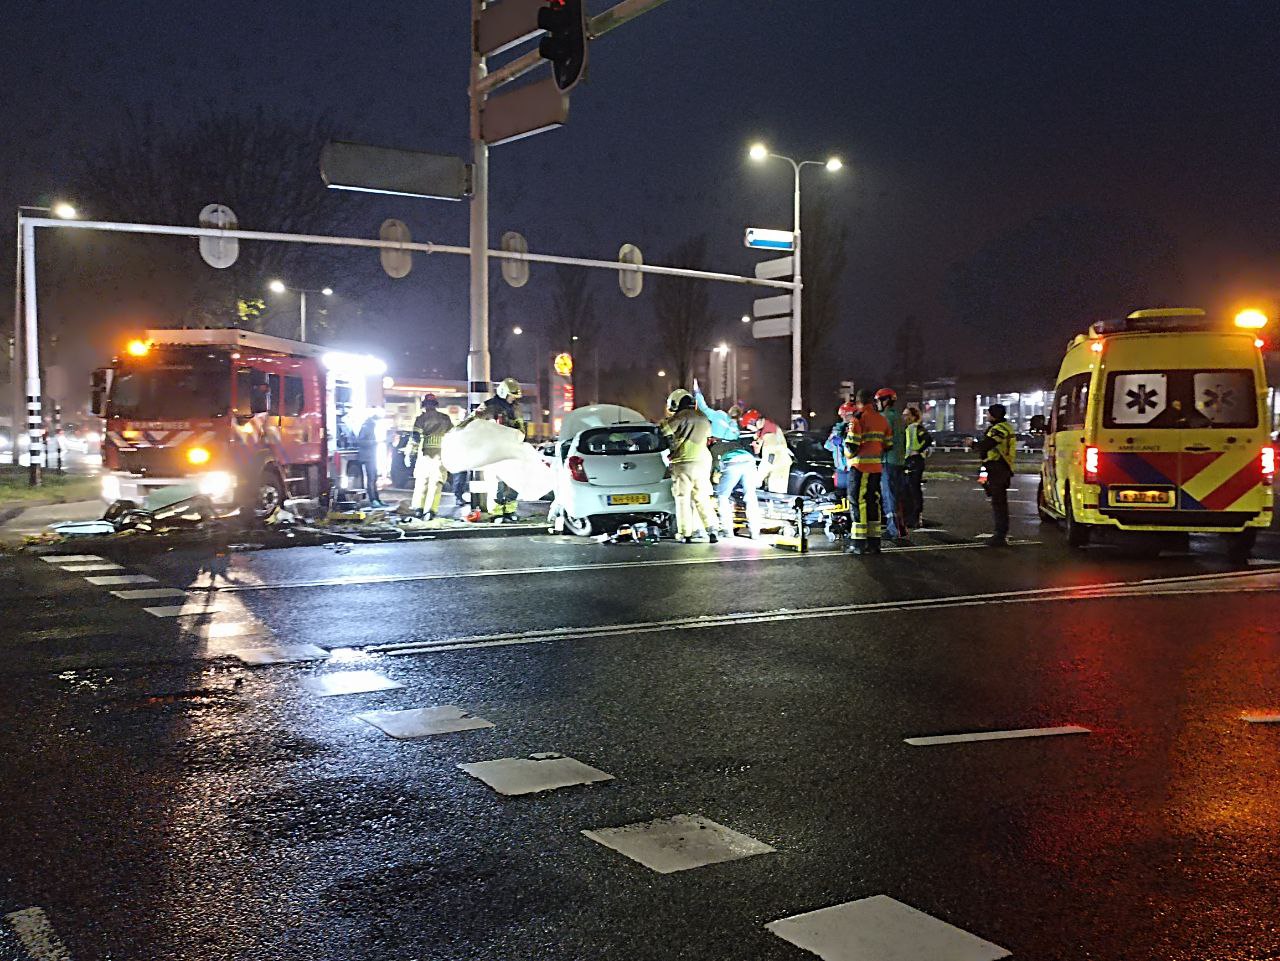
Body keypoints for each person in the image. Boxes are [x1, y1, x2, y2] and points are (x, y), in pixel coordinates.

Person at [694, 387, 763, 539]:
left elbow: (703, 408)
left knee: (723, 496)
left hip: (732, 462)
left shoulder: (719, 416)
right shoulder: (736, 427)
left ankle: (727, 530)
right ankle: (755, 531)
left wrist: (697, 392)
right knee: (750, 496)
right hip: (748, 459)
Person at [659, 388, 718, 543]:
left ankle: (685, 533)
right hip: (703, 462)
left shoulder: (681, 416)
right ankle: (712, 529)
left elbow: (664, 430)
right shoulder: (703, 417)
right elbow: (709, 436)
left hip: (684, 463)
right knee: (702, 497)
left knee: (682, 498)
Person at [844, 388, 892, 555]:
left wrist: (847, 455)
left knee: (858, 503)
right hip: (876, 468)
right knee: (873, 502)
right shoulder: (882, 420)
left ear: (858, 402)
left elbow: (852, 446)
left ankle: (858, 543)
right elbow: (888, 445)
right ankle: (874, 543)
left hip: (859, 468)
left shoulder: (858, 419)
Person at [478, 377, 526, 523]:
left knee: (515, 481)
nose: (514, 399)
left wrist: (521, 438)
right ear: (504, 393)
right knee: (496, 482)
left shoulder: (516, 408)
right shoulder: (489, 406)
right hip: (494, 450)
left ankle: (510, 510)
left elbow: (521, 427)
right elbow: (474, 421)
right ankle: (497, 512)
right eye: (512, 396)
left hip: (511, 449)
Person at [403, 394, 453, 519]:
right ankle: (430, 510)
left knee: (422, 481)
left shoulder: (421, 419)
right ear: (436, 404)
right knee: (436, 482)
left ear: (424, 405)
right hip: (441, 454)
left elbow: (415, 438)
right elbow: (452, 435)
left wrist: (410, 453)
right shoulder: (445, 419)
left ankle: (419, 508)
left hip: (424, 454)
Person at [973, 403, 1016, 546]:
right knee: (983, 480)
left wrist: (972, 444)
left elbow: (987, 444)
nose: (987, 415)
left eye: (988, 413)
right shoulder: (1002, 427)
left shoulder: (1000, 429)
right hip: (993, 466)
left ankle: (1000, 535)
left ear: (994, 415)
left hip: (999, 467)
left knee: (999, 502)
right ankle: (1000, 533)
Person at [875, 387, 909, 545]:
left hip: (887, 461)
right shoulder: (899, 417)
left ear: (886, 400)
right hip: (899, 461)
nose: (877, 404)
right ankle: (900, 527)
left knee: (889, 496)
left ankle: (893, 529)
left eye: (878, 401)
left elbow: (882, 440)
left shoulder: (885, 417)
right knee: (897, 496)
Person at [902, 406, 933, 528]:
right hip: (909, 461)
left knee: (914, 489)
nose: (904, 417)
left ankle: (916, 518)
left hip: (915, 461)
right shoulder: (908, 428)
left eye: (907, 415)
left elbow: (928, 439)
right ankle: (910, 517)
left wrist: (918, 450)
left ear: (914, 416)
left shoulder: (916, 428)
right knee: (908, 490)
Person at [355, 407, 386, 508]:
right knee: (371, 479)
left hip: (371, 456)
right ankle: (373, 500)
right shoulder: (366, 427)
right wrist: (374, 442)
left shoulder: (371, 426)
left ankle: (377, 499)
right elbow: (360, 441)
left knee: (374, 478)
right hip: (367, 457)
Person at [825, 401, 857, 494]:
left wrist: (842, 442)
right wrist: (834, 442)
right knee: (840, 494)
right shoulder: (837, 428)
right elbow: (827, 446)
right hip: (840, 469)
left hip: (853, 468)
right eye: (843, 415)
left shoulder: (856, 427)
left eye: (846, 415)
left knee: (853, 494)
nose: (844, 417)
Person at [756, 418, 793, 494]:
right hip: (783, 464)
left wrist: (756, 481)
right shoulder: (774, 429)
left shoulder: (769, 437)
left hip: (777, 472)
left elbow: (768, 460)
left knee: (776, 493)